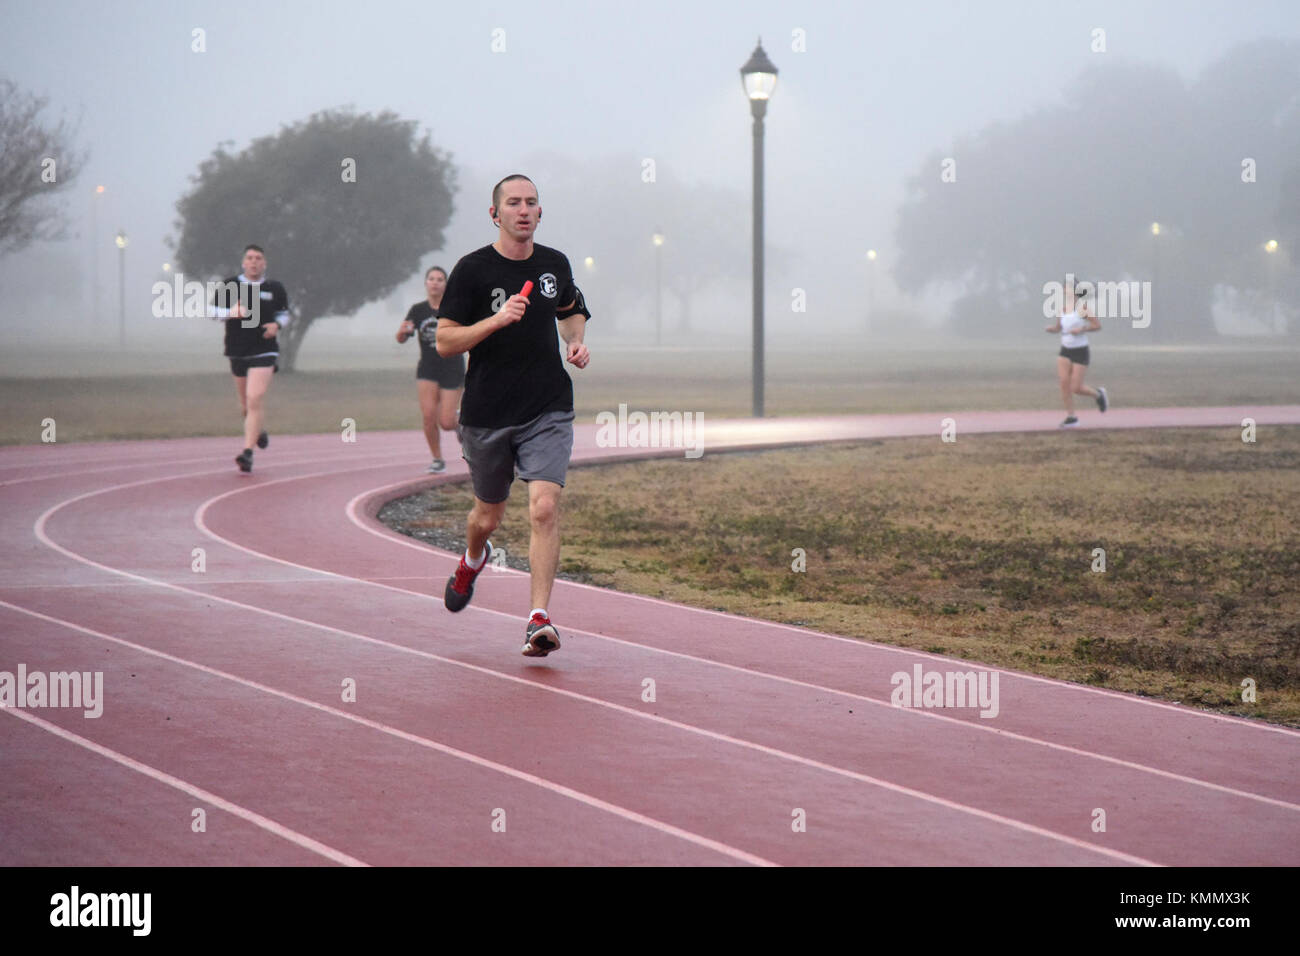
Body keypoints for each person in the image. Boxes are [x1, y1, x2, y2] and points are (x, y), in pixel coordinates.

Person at [435, 174, 591, 657]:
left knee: (544, 507)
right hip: (486, 413)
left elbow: (572, 307)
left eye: (532, 203)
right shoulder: (472, 270)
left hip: (547, 406)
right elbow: (444, 342)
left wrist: (575, 341)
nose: (524, 210)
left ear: (540, 213)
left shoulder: (553, 264)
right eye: (513, 203)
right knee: (488, 516)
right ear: (495, 214)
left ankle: (538, 619)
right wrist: (497, 321)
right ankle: (471, 559)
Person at [210, 244, 290, 471]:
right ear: (243, 262)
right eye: (250, 258)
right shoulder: (230, 286)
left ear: (264, 263)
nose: (254, 262)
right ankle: (258, 431)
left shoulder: (275, 288)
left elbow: (284, 314)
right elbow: (212, 311)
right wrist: (230, 312)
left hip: (265, 349)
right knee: (245, 405)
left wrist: (276, 325)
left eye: (258, 258)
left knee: (255, 398)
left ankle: (247, 453)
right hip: (237, 349)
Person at [396, 266, 465, 473]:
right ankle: (437, 459)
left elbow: (468, 334)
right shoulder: (418, 310)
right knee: (427, 416)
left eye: (440, 279)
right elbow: (401, 338)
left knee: (446, 422)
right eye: (431, 279)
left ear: (446, 284)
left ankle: (460, 420)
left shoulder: (455, 307)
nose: (435, 282)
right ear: (426, 283)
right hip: (427, 368)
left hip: (452, 366)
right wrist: (402, 332)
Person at [1045, 277, 1108, 427]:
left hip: (1080, 351)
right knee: (1064, 383)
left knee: (1076, 388)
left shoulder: (1083, 308)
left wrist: (1081, 329)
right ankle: (1071, 417)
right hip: (1065, 350)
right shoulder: (1062, 309)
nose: (1064, 290)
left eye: (1067, 287)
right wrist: (1052, 329)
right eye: (1063, 288)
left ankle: (1098, 395)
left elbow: (1097, 325)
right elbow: (1059, 327)